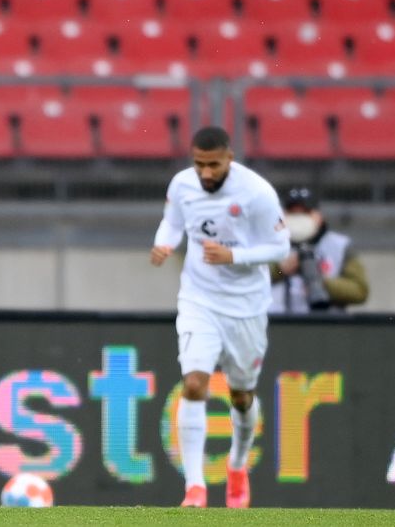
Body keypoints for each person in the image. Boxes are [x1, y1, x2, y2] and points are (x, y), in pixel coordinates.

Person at [150, 126, 290, 509]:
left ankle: (237, 465)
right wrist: (165, 241)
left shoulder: (257, 193)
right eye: (199, 165)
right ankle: (194, 488)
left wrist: (234, 257)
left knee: (241, 395)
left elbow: (280, 247)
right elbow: (174, 222)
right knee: (194, 384)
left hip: (246, 306)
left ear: (229, 157)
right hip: (199, 299)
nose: (206, 173)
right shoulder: (182, 185)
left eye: (213, 165)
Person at [269, 186, 369, 314]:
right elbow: (244, 280)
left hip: (324, 327)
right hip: (276, 326)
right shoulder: (267, 244)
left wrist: (319, 282)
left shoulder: (339, 246)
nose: (299, 218)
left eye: (305, 213)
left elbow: (360, 291)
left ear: (319, 216)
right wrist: (279, 270)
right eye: (293, 213)